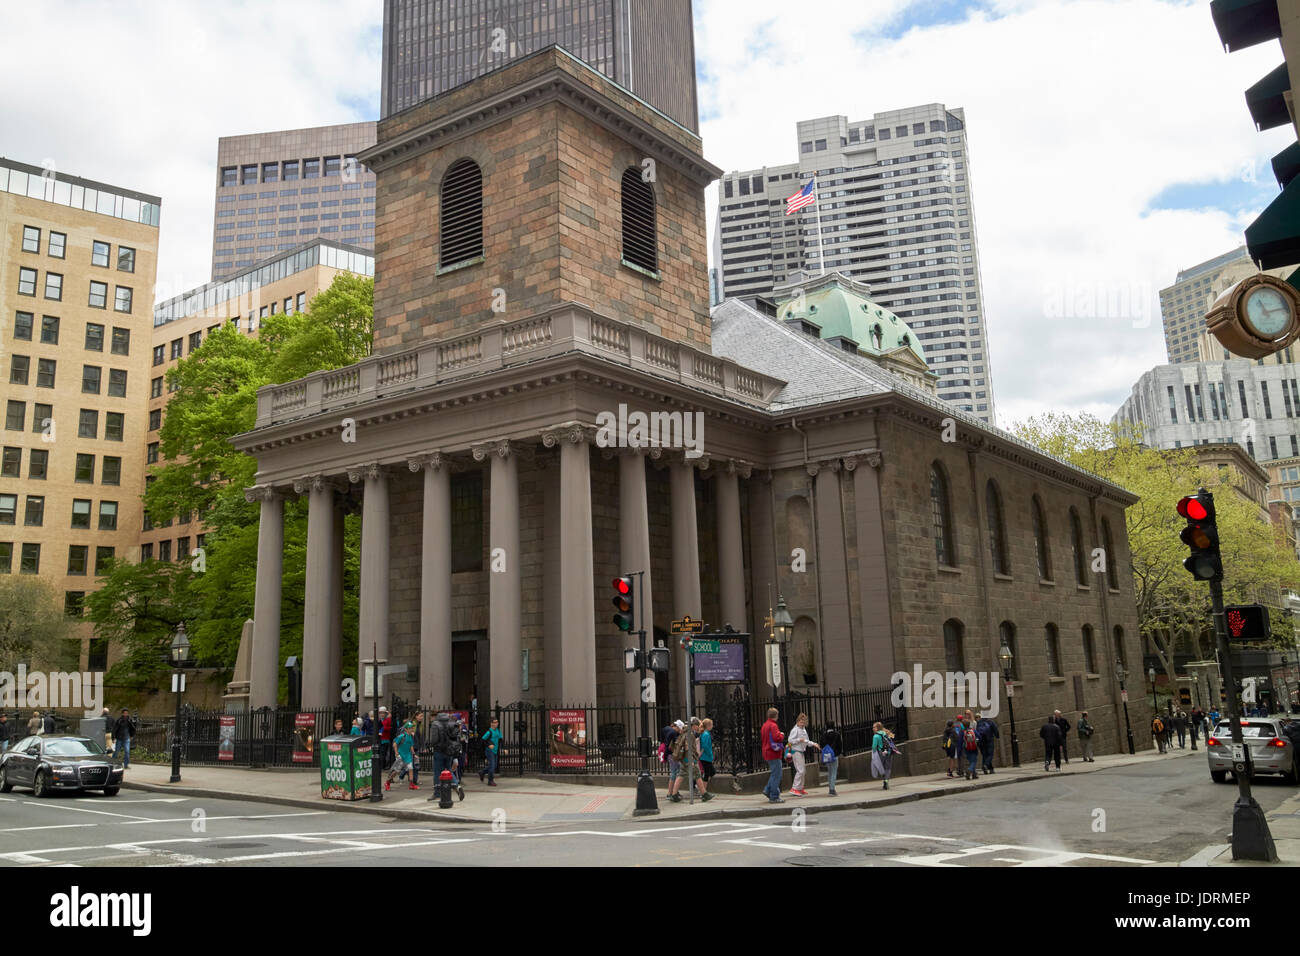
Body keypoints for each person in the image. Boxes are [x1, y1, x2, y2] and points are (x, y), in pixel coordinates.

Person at [426, 712, 464, 801]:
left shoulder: (435, 724)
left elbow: (434, 740)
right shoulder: (451, 723)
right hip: (449, 751)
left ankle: (437, 792)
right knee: (449, 770)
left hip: (439, 751)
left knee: (437, 772)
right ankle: (457, 786)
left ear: (435, 716)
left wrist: (431, 744)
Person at [671, 717, 704, 802]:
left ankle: (674, 795)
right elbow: (688, 748)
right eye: (697, 725)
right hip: (688, 759)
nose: (698, 727)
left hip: (685, 759)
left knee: (681, 775)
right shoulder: (690, 734)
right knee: (697, 774)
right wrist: (692, 760)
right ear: (693, 725)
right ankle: (704, 794)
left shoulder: (685, 732)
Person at [787, 713, 817, 796]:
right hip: (796, 751)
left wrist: (814, 744)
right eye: (801, 721)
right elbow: (790, 740)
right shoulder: (795, 730)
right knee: (800, 770)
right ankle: (794, 788)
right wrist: (799, 740)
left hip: (800, 751)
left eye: (804, 722)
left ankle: (800, 788)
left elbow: (806, 741)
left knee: (803, 771)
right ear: (798, 721)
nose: (802, 723)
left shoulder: (803, 729)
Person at [760, 708, 785, 804]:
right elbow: (777, 737)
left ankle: (767, 790)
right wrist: (782, 735)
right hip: (773, 752)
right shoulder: (773, 725)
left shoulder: (765, 725)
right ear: (776, 716)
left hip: (766, 751)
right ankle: (774, 796)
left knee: (774, 773)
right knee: (777, 775)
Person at [385, 721, 419, 791]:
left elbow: (411, 746)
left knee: (411, 769)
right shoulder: (401, 736)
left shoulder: (410, 736)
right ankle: (387, 782)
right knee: (397, 771)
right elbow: (395, 744)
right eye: (410, 728)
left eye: (412, 728)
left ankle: (411, 784)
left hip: (408, 755)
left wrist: (414, 754)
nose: (411, 729)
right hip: (401, 755)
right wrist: (396, 753)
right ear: (406, 729)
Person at [663, 720, 685, 801]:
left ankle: (674, 791)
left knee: (675, 773)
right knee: (675, 773)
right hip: (672, 755)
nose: (680, 731)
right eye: (679, 729)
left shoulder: (668, 731)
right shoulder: (673, 733)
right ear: (677, 727)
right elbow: (669, 746)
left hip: (670, 755)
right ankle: (670, 793)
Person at [479, 716, 503, 786]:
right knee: (492, 766)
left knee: (494, 766)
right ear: (491, 723)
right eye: (495, 722)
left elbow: (501, 740)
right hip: (489, 751)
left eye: (497, 722)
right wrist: (488, 745)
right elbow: (482, 740)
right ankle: (490, 781)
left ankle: (482, 772)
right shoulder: (489, 732)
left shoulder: (498, 731)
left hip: (495, 750)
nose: (496, 724)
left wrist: (504, 748)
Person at [871, 721, 896, 789]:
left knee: (881, 768)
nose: (873, 728)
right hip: (889, 752)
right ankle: (886, 781)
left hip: (881, 753)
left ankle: (884, 779)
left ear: (878, 728)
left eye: (874, 727)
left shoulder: (875, 736)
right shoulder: (887, 733)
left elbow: (874, 747)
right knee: (888, 767)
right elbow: (892, 739)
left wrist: (873, 753)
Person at [822, 720, 843, 796]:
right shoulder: (837, 734)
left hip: (827, 755)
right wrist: (837, 753)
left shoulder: (824, 735)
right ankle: (832, 789)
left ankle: (830, 788)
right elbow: (840, 746)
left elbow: (822, 744)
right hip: (834, 755)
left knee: (829, 772)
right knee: (834, 772)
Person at [697, 718, 716, 800]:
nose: (712, 726)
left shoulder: (704, 733)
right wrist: (710, 754)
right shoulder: (706, 734)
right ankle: (703, 792)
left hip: (705, 757)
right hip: (706, 757)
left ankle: (703, 790)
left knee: (712, 772)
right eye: (711, 725)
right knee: (707, 774)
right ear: (708, 726)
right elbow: (705, 746)